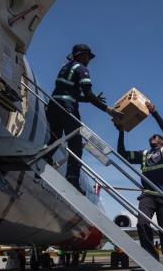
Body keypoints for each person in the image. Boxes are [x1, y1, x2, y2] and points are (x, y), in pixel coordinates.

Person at [46, 44, 123, 193]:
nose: (89, 59)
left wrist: (90, 99)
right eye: (88, 56)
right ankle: (72, 179)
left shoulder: (66, 67)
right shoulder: (82, 68)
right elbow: (87, 93)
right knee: (75, 145)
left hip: (53, 105)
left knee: (55, 137)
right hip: (67, 108)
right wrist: (107, 109)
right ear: (81, 55)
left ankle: (46, 158)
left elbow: (70, 92)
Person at [116, 101, 163, 270]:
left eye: (157, 136)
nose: (153, 136)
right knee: (142, 224)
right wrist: (121, 132)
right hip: (148, 194)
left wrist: (154, 113)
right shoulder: (144, 154)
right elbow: (121, 153)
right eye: (152, 136)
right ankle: (152, 260)